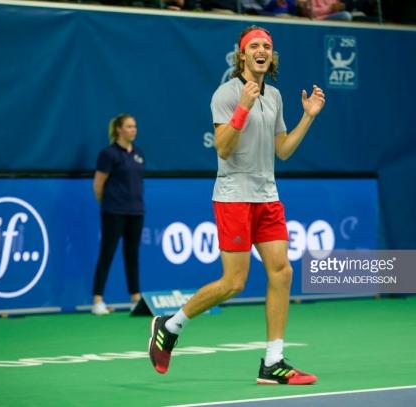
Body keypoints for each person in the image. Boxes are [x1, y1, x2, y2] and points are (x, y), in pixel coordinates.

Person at [148, 26, 325, 384]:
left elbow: (283, 150)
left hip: (267, 196)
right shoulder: (226, 94)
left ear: (271, 58)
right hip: (233, 197)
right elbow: (224, 148)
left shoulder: (274, 96)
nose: (261, 50)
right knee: (234, 282)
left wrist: (308, 116)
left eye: (267, 46)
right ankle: (169, 325)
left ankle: (273, 362)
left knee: (282, 272)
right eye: (254, 46)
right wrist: (242, 108)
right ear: (242, 55)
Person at [91, 114, 145, 315]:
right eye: (129, 126)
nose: (133, 130)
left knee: (132, 256)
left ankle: (135, 298)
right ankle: (97, 300)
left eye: (135, 126)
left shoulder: (139, 153)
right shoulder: (108, 154)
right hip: (113, 213)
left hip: (136, 212)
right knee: (107, 254)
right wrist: (108, 205)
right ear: (119, 130)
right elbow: (98, 185)